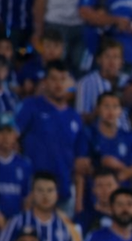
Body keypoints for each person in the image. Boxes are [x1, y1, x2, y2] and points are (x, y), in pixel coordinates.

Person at [14, 62, 86, 206]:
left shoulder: (75, 117)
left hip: (63, 191)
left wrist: (78, 199)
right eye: (53, 79)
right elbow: (11, 139)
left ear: (70, 83)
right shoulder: (31, 106)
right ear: (45, 82)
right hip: (33, 190)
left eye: (63, 79)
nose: (58, 84)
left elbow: (80, 163)